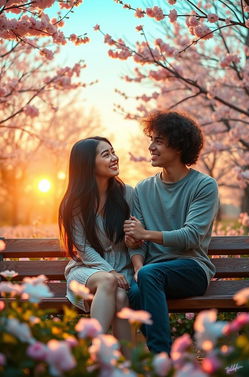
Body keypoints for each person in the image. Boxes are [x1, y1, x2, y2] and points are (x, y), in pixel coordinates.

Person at [124, 111, 219, 354]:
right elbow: (137, 242)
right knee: (134, 291)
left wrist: (145, 234)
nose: (151, 147)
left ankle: (162, 360)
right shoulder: (143, 189)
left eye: (159, 140)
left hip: (192, 268)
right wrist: (137, 267)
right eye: (152, 139)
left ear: (178, 146)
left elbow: (190, 237)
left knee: (149, 277)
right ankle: (167, 359)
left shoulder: (203, 186)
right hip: (151, 273)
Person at [58, 137, 134, 354]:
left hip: (121, 272)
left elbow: (137, 233)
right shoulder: (74, 203)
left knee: (120, 297)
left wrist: (136, 238)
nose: (114, 158)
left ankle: (127, 364)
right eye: (106, 154)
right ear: (88, 164)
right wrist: (108, 270)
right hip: (86, 272)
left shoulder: (127, 194)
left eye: (113, 151)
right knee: (108, 280)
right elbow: (82, 248)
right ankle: (96, 354)